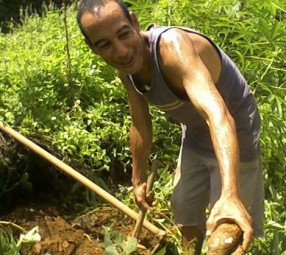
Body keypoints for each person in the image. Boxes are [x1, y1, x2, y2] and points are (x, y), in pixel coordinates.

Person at [77, 0, 264, 253]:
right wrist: (138, 177)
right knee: (184, 208)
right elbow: (140, 124)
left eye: (123, 34)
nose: (120, 51)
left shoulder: (172, 48)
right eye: (105, 44)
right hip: (196, 133)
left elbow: (217, 114)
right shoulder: (127, 71)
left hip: (235, 129)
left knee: (224, 233)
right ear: (93, 48)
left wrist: (230, 194)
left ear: (134, 22)